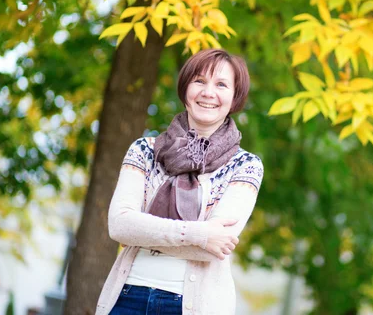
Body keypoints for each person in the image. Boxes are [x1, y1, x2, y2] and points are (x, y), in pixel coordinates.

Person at [96, 48, 264, 315]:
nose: (208, 92)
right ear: (185, 89)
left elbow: (215, 248)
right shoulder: (144, 150)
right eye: (199, 81)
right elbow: (119, 225)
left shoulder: (245, 166)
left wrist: (144, 231)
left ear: (234, 98)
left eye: (221, 84)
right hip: (127, 298)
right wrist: (200, 234)